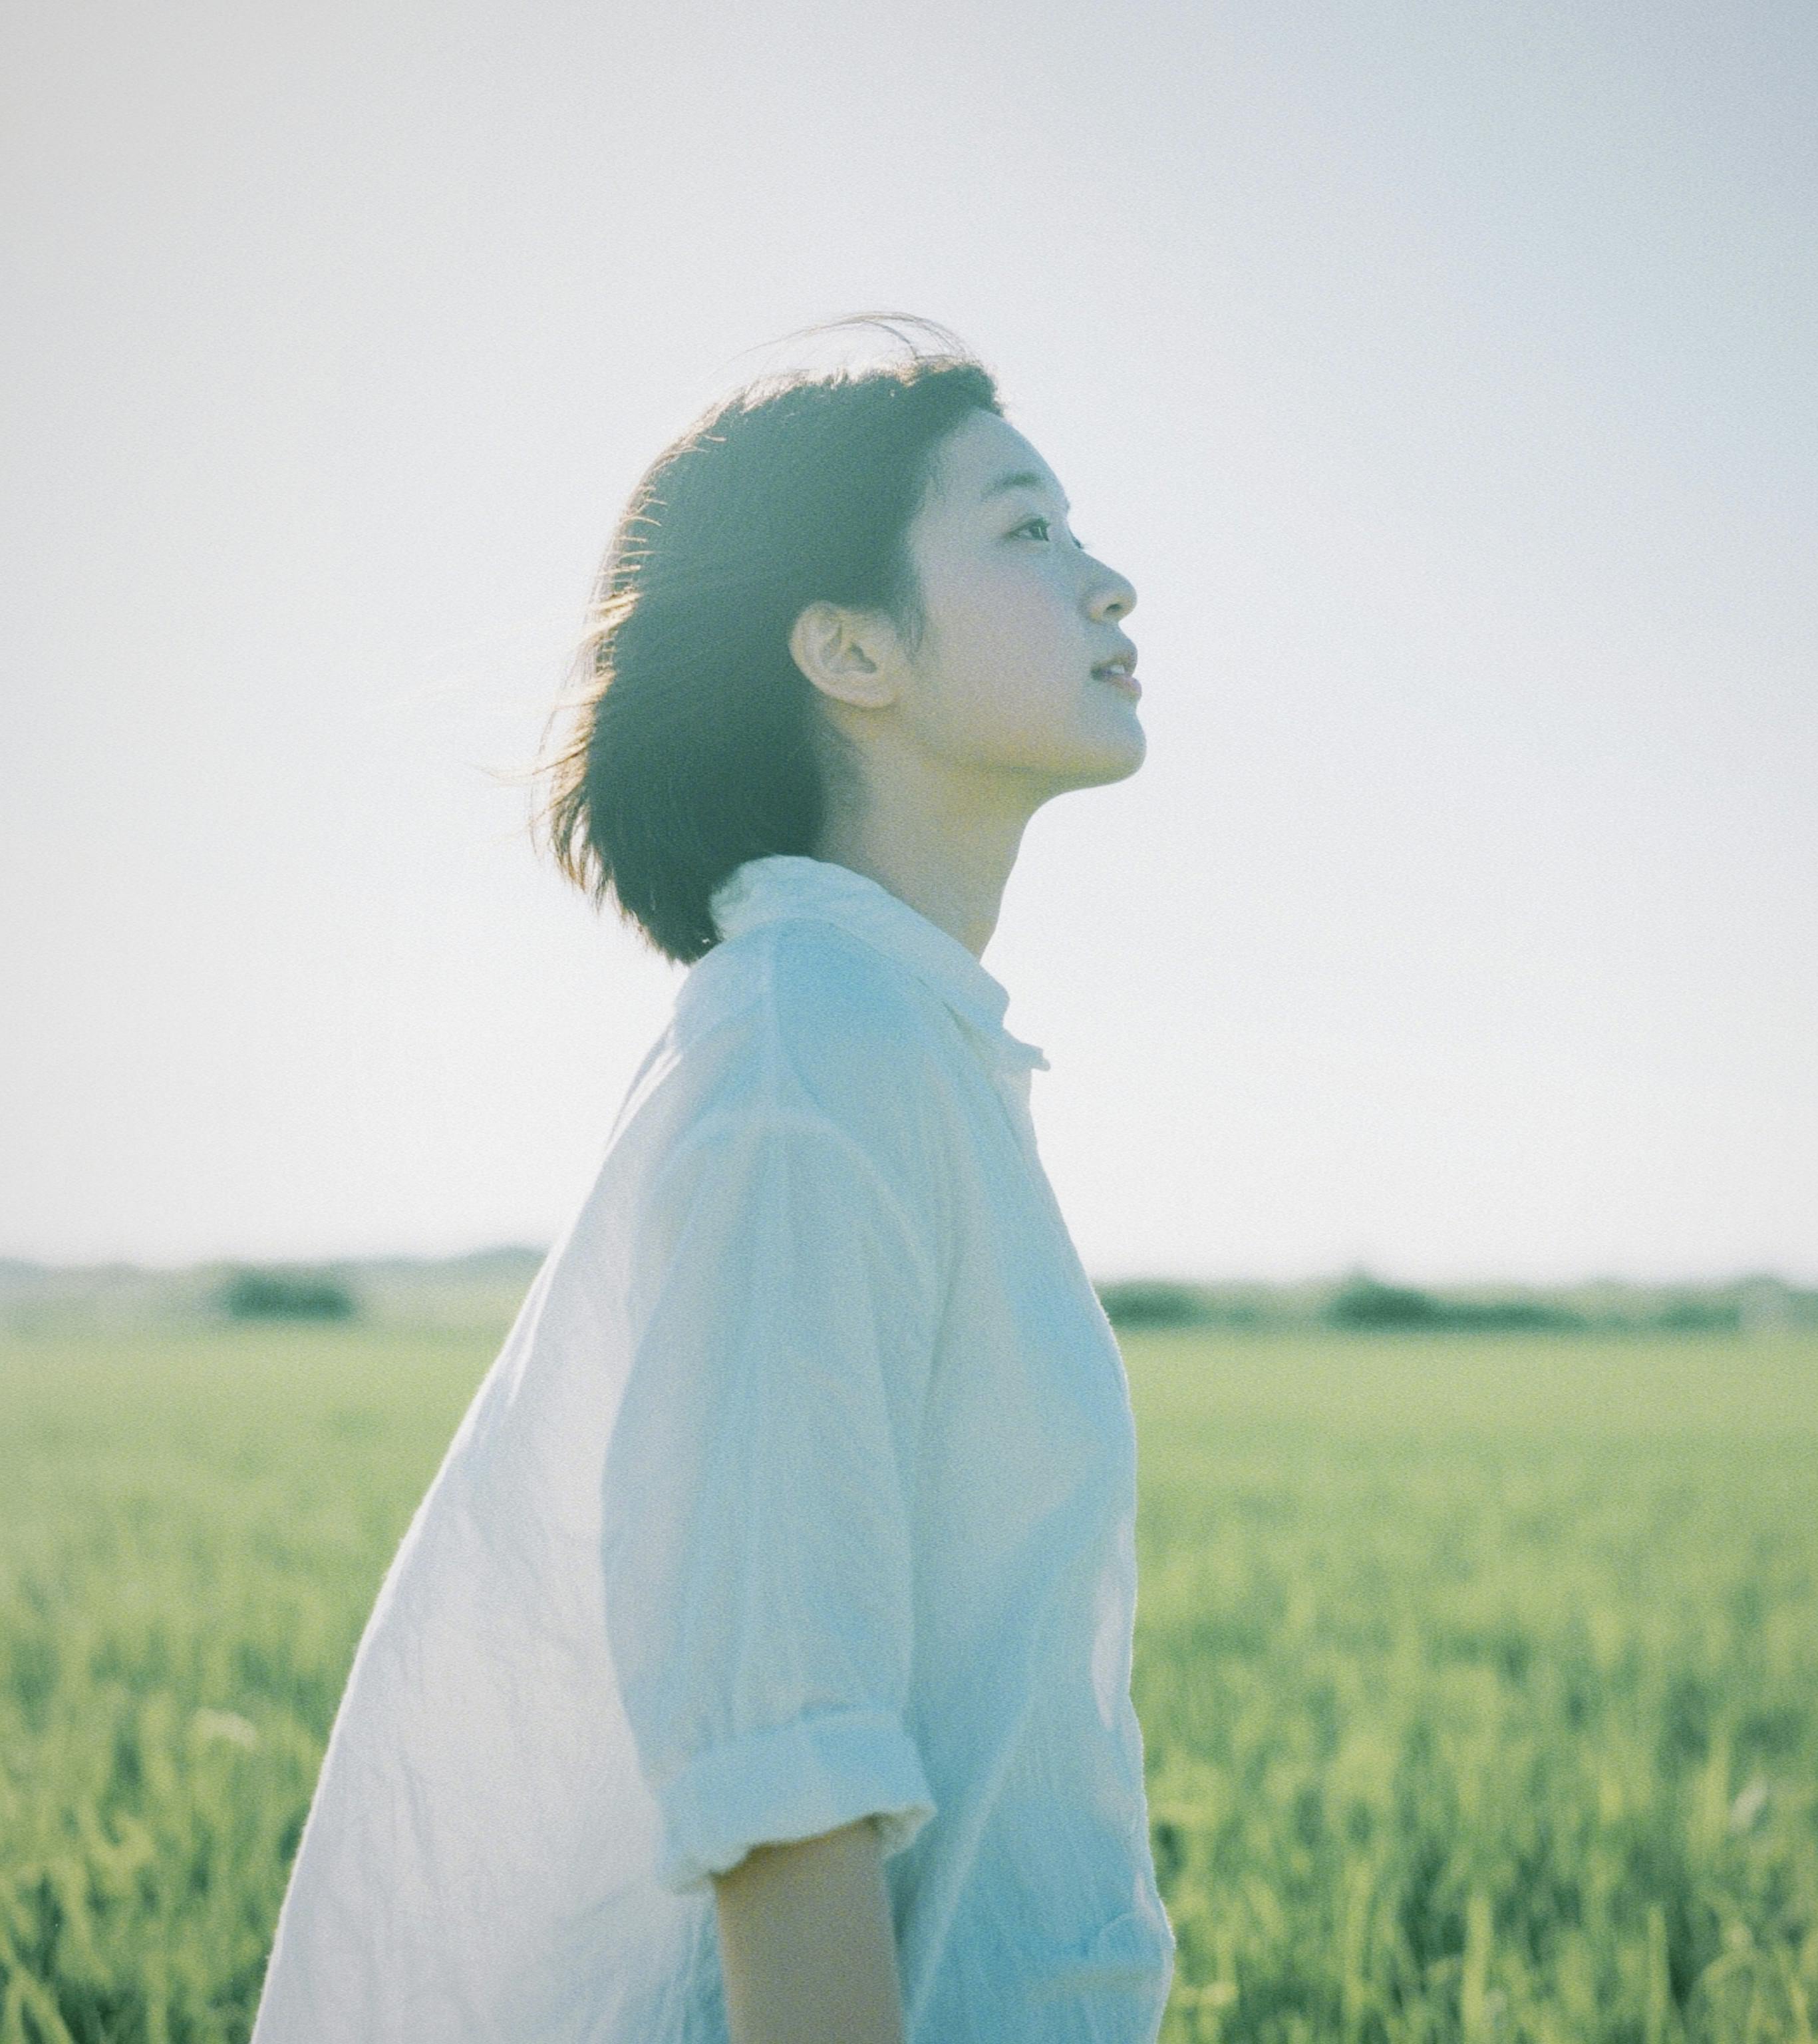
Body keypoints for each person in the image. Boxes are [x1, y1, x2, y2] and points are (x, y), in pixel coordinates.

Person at [247, 316, 1175, 2044]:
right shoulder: (811, 1060)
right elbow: (785, 1775)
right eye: (1027, 529)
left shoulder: (896, 1044)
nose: (1112, 583)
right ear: (848, 648)